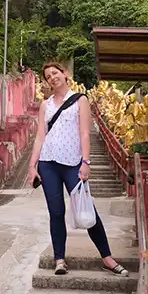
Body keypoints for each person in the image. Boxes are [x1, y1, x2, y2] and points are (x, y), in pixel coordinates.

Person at [27, 62, 129, 277]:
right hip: (48, 163)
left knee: (87, 209)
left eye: (55, 73)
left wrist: (86, 162)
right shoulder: (46, 105)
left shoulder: (80, 100)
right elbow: (40, 137)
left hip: (73, 162)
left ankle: (108, 258)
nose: (52, 77)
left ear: (65, 74)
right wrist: (32, 165)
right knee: (56, 212)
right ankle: (59, 259)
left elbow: (84, 133)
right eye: (48, 76)